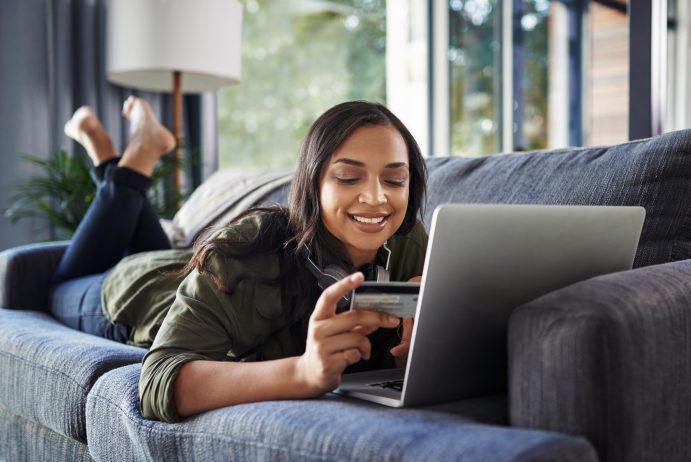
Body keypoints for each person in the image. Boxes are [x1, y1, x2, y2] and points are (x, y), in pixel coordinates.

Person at [53, 97, 428, 423]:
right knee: (56, 287)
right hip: (134, 293)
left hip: (184, 266)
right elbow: (155, 382)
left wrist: (423, 341)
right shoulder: (248, 250)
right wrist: (302, 371)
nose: (377, 198)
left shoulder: (408, 239)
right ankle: (128, 154)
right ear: (312, 185)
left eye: (395, 180)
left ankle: (113, 158)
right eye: (348, 178)